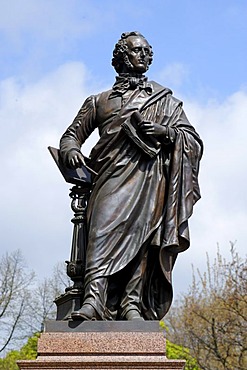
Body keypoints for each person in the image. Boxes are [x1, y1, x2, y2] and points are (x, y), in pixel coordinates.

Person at [59, 31, 203, 321]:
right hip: (109, 178)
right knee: (99, 234)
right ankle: (93, 300)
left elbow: (193, 140)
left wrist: (168, 133)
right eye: (137, 50)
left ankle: (131, 304)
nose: (144, 55)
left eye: (147, 51)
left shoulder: (166, 100)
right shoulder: (99, 101)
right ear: (122, 55)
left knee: (143, 241)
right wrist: (71, 150)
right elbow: (71, 136)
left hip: (150, 180)